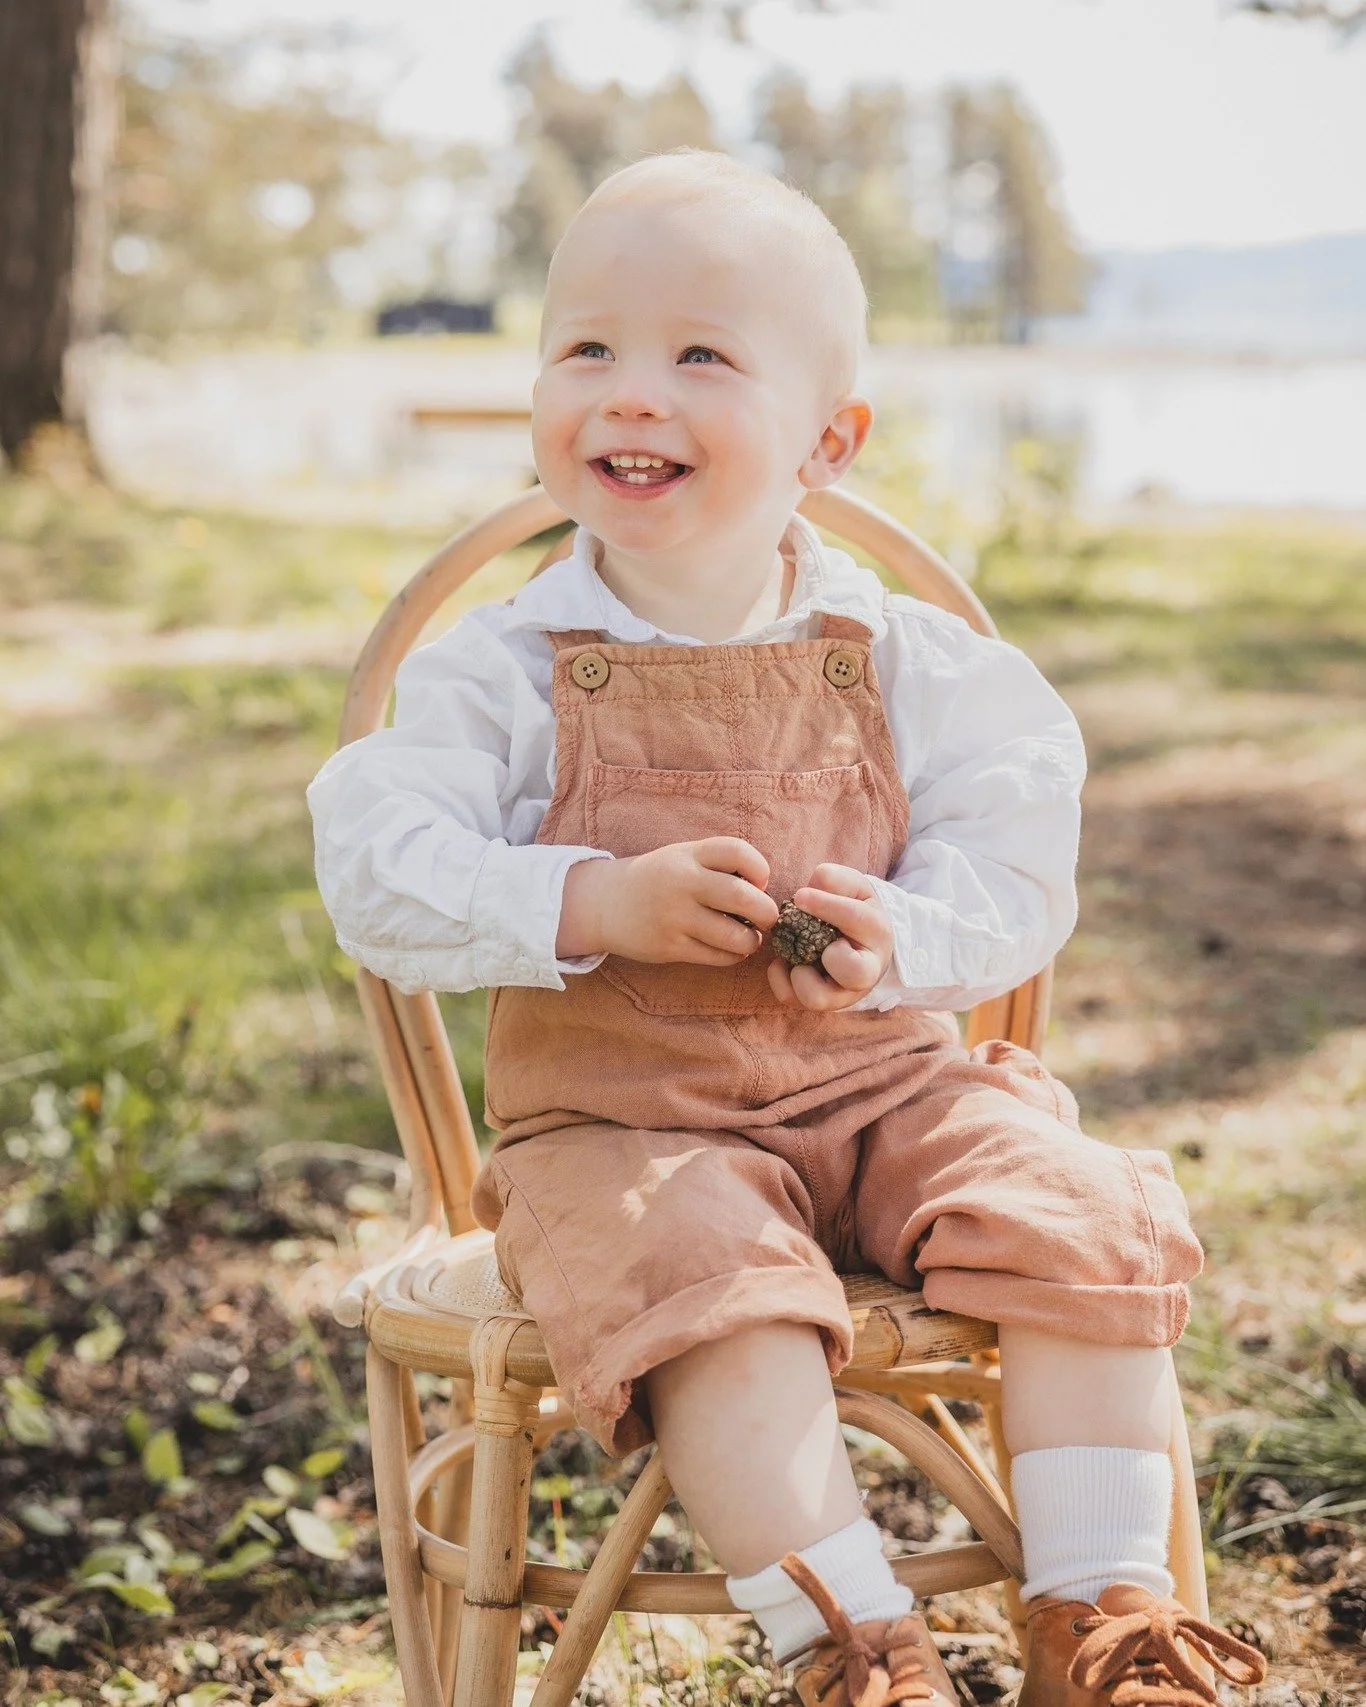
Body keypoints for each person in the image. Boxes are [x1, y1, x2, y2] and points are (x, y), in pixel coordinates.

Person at [308, 149, 1268, 1707]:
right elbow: (373, 859)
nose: (628, 391)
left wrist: (908, 930)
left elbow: (1020, 854)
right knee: (709, 1284)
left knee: (1075, 1205)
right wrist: (588, 898)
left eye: (697, 354)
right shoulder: (507, 666)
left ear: (828, 440)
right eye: (586, 348)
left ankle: (1100, 1617)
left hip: (888, 1092)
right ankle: (853, 1642)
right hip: (630, 1131)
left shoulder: (906, 660)